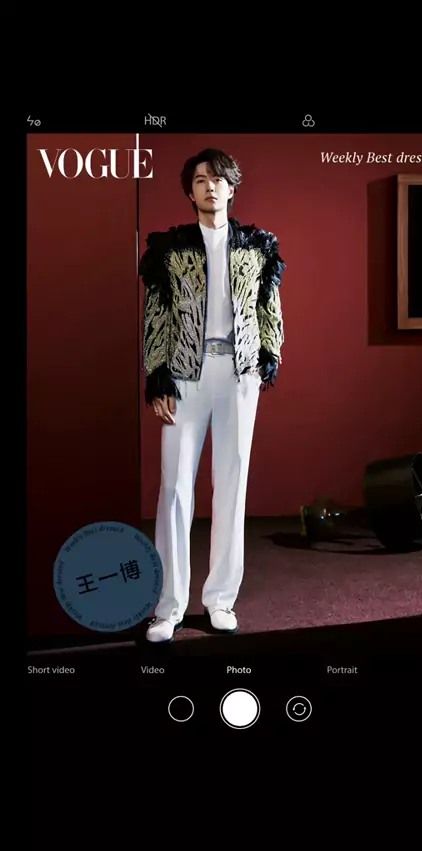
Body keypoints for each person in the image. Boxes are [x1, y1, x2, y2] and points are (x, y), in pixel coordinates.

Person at [139, 148, 286, 642]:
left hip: (238, 375)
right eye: (201, 179)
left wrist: (268, 358)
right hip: (185, 374)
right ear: (190, 190)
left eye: (218, 179)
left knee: (232, 486)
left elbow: (269, 308)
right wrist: (156, 376)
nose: (210, 186)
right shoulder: (170, 249)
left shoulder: (257, 248)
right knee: (175, 491)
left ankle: (221, 600)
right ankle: (169, 607)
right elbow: (156, 315)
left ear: (232, 187)